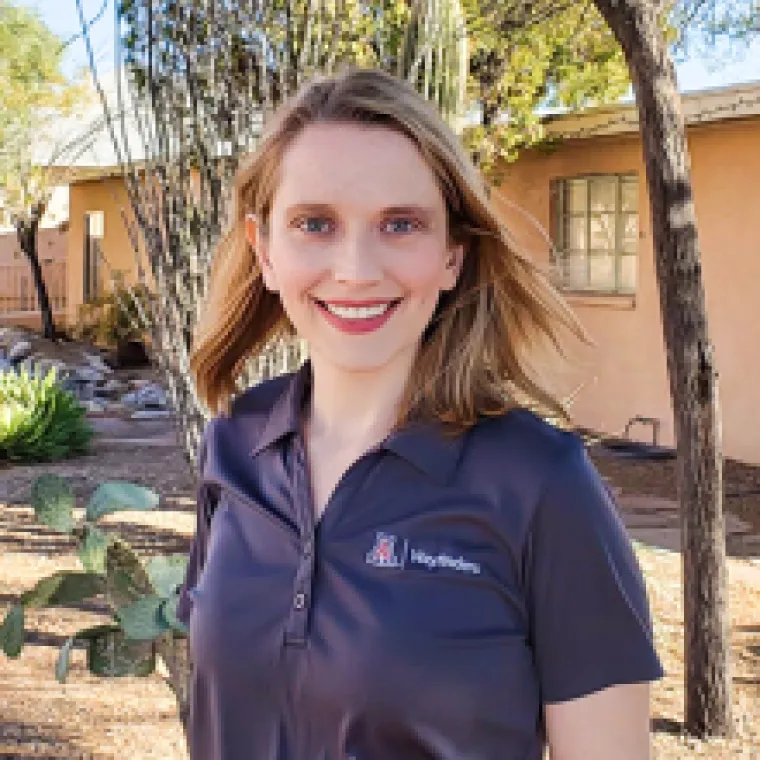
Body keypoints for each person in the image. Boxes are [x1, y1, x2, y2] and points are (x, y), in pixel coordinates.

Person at [178, 66, 664, 760]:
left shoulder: (540, 483)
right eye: (314, 224)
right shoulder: (233, 444)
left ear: (452, 256)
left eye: (400, 224)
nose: (356, 268)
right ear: (265, 252)